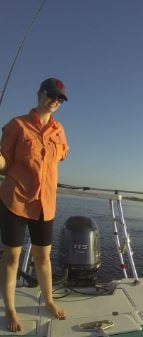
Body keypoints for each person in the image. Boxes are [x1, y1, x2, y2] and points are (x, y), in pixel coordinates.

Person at [0, 78, 69, 332]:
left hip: (45, 203)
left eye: (60, 99)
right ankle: (10, 308)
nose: (55, 101)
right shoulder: (16, 125)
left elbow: (60, 155)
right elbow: (4, 164)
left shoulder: (59, 130)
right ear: (39, 93)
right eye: (51, 95)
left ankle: (48, 299)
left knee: (43, 256)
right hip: (15, 200)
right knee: (11, 257)